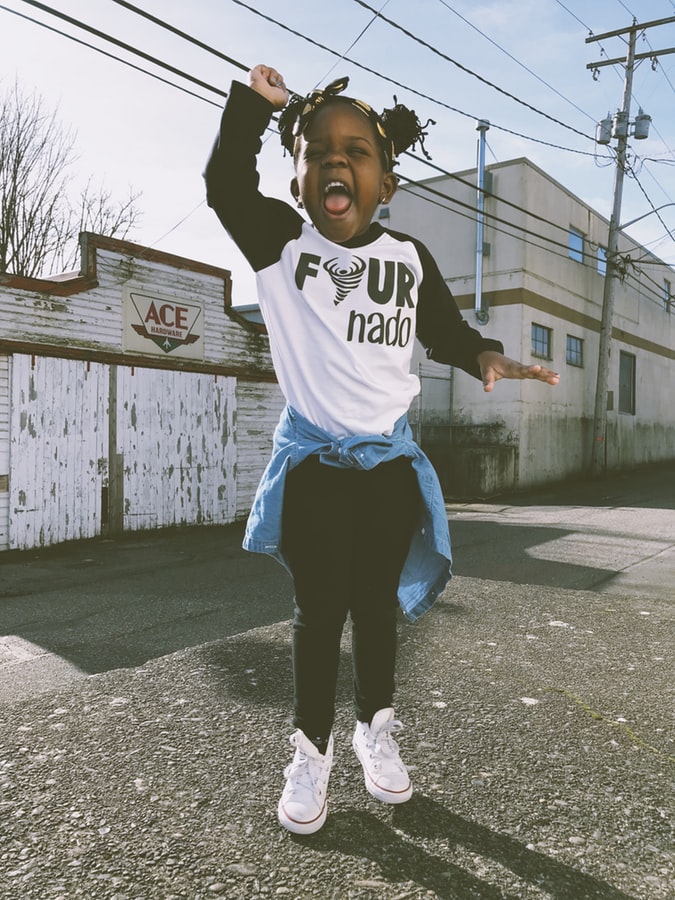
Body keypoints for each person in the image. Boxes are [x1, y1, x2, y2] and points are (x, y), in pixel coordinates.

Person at [204, 64, 559, 835]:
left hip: (389, 469)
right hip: (315, 468)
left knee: (376, 609)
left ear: (386, 180)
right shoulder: (277, 244)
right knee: (318, 611)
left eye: (357, 151)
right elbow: (224, 183)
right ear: (297, 181)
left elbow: (444, 332)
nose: (337, 162)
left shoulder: (407, 258)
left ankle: (374, 729)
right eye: (318, 152)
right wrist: (255, 109)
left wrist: (484, 357)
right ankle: (309, 749)